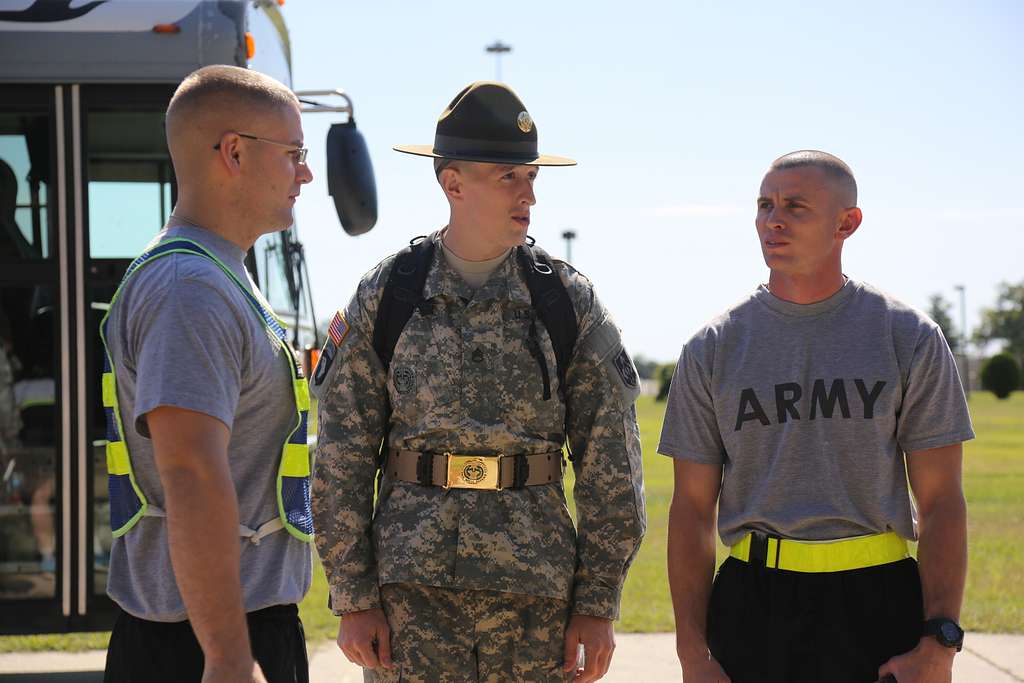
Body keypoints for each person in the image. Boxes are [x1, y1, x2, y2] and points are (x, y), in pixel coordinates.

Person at [311, 81, 646, 683]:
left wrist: (597, 603)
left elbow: (612, 462)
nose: (529, 196)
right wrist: (353, 595)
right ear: (453, 183)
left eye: (532, 178)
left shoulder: (566, 302)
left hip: (535, 597)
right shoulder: (388, 294)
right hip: (409, 598)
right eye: (508, 177)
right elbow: (341, 455)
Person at [660, 150, 974, 683]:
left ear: (846, 223)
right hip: (752, 605)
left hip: (879, 601)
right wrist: (694, 654)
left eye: (795, 207)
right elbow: (691, 510)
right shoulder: (712, 347)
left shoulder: (908, 336)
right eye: (765, 206)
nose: (773, 220)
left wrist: (938, 641)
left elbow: (942, 500)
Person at [100, 65, 314, 683]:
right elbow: (190, 472)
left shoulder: (218, 275)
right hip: (201, 645)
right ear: (236, 153)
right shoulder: (188, 289)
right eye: (294, 154)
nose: (305, 173)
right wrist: (227, 656)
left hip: (229, 631)